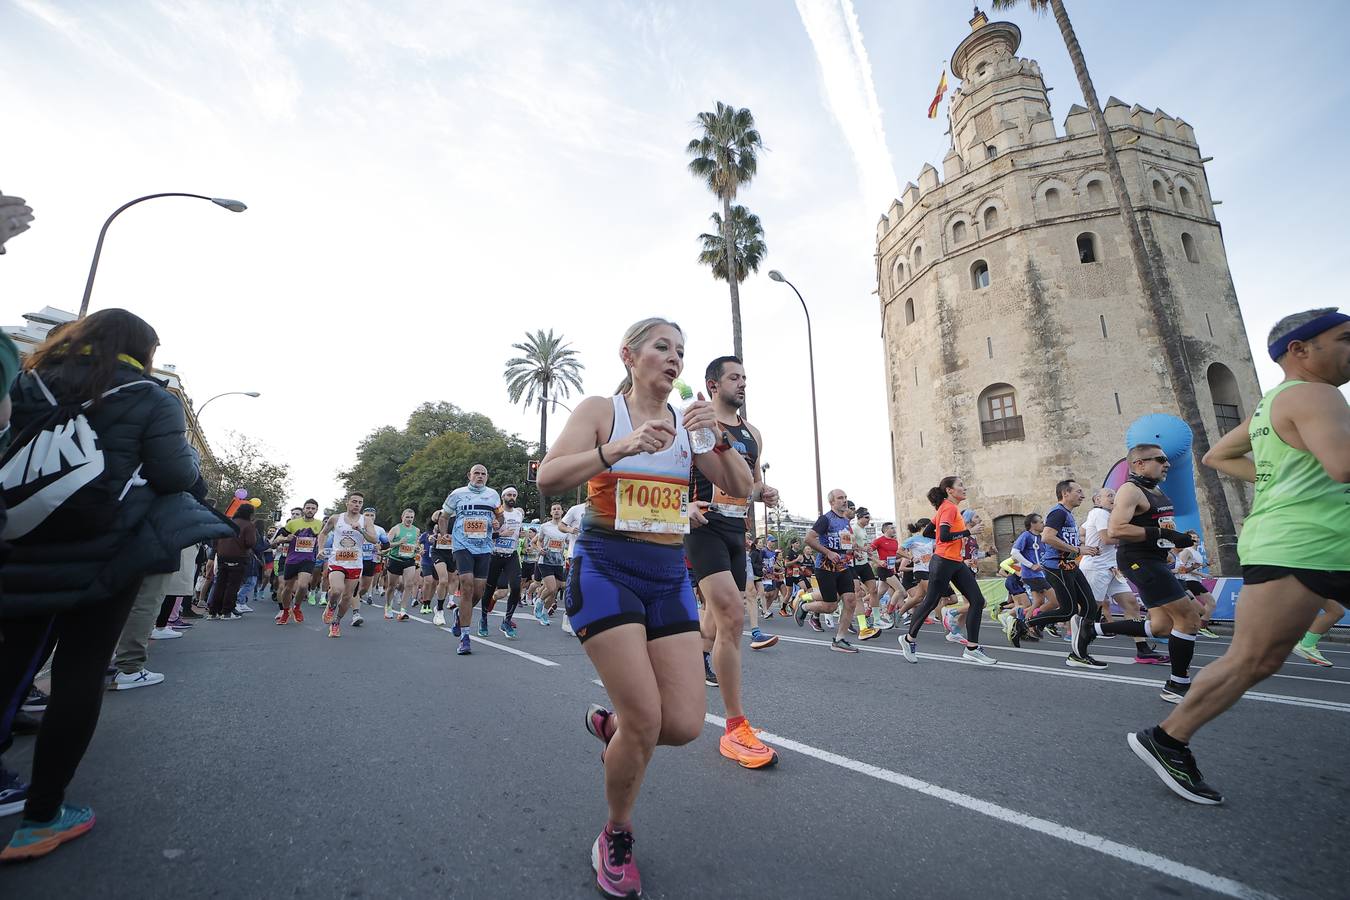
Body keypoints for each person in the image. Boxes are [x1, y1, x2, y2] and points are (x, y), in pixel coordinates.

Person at [0, 309, 231, 860]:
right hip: (108, 552)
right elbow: (178, 476)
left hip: (25, 543)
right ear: (143, 352)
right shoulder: (151, 397)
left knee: (11, 668)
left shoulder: (29, 383)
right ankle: (42, 817)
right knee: (79, 677)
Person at [536, 318, 751, 898]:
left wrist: (720, 439)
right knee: (648, 719)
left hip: (666, 575)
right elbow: (549, 478)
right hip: (606, 569)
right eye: (662, 347)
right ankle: (616, 832)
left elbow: (742, 487)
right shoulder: (602, 410)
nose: (674, 358)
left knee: (681, 724)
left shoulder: (691, 424)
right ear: (630, 356)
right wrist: (618, 448)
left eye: (681, 351)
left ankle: (617, 729)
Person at [1128, 307, 1350, 805]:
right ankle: (1168, 736)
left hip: (1301, 538)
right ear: (1301, 350)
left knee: (1257, 657)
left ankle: (1168, 737)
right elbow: (1344, 464)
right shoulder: (1318, 395)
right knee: (1251, 657)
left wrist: (1279, 482)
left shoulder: (1272, 404)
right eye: (1346, 338)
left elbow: (1216, 456)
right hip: (1307, 542)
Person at [682, 355, 780, 768]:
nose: (742, 383)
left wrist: (765, 491)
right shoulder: (696, 419)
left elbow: (749, 484)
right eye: (734, 378)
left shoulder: (752, 432)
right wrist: (683, 504)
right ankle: (735, 725)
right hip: (702, 525)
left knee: (719, 619)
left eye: (745, 377)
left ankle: (690, 661)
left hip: (735, 530)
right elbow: (671, 469)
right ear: (712, 384)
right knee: (733, 614)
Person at [899, 477, 996, 665]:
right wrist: (969, 531)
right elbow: (942, 536)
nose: (964, 488)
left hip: (955, 562)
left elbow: (928, 533)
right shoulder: (949, 508)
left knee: (977, 600)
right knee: (930, 601)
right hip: (943, 561)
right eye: (960, 485)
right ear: (950, 490)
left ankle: (972, 648)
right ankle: (908, 639)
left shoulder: (947, 509)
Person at [1011, 480, 1105, 668]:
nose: (1083, 495)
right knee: (1068, 611)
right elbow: (1047, 537)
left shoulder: (1067, 514)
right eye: (1079, 492)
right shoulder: (1058, 512)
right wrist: (1078, 549)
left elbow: (1066, 539)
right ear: (1065, 493)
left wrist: (1085, 548)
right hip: (1057, 566)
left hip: (1070, 565)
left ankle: (1079, 653)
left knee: (1089, 607)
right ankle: (1023, 623)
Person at [1079, 489, 1168, 664]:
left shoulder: (1102, 515)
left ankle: (1143, 650)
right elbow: (1107, 539)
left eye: (1115, 496)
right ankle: (1079, 649)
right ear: (1097, 499)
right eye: (1109, 496)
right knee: (1091, 609)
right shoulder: (1099, 512)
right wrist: (1141, 538)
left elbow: (1082, 530)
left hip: (1112, 569)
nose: (1113, 499)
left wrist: (1087, 539)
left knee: (1131, 604)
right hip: (1096, 568)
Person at [439, 464, 503, 656]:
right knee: (466, 585)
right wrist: (445, 535)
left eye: (484, 474)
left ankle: (460, 614)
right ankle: (465, 637)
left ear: (487, 477)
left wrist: (498, 523)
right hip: (462, 545)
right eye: (477, 473)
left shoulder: (493, 495)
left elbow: (499, 516)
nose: (480, 476)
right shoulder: (457, 494)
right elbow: (443, 517)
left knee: (478, 592)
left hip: (484, 547)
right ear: (469, 475)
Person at [315, 493, 381, 638]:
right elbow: (323, 533)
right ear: (347, 503)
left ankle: (336, 623)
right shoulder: (336, 518)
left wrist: (360, 530)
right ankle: (331, 606)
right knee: (337, 590)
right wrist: (320, 549)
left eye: (360, 503)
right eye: (354, 501)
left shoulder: (366, 520)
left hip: (355, 562)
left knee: (346, 597)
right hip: (337, 560)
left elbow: (374, 539)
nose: (357, 504)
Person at [273, 500, 323, 624]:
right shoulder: (293, 524)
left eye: (313, 508)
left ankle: (297, 607)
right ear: (304, 509)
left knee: (302, 585)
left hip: (308, 559)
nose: (310, 510)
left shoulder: (320, 524)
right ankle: (285, 611)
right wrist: (286, 538)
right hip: (292, 560)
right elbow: (277, 539)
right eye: (308, 508)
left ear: (316, 510)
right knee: (287, 588)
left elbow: (326, 537)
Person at [484, 486, 524, 639]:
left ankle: (506, 621)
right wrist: (500, 534)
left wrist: (520, 534)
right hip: (494, 555)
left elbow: (516, 533)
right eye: (509, 494)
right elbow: (486, 534)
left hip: (511, 555)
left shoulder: (519, 514)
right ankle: (483, 618)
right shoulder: (494, 513)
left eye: (514, 494)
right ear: (503, 497)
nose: (512, 497)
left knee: (515, 587)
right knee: (488, 591)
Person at [207, 504, 258, 620]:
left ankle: (213, 611)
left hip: (222, 556)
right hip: (239, 557)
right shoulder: (248, 525)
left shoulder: (226, 522)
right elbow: (250, 542)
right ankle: (226, 611)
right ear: (250, 514)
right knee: (233, 585)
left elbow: (216, 539)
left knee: (220, 583)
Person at [1175, 532, 1219, 638]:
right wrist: (1202, 573)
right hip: (1189, 580)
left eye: (1197, 537)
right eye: (1193, 537)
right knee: (1211, 602)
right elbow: (1182, 569)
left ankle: (1191, 626)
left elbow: (1194, 566)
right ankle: (1202, 627)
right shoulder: (1186, 551)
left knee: (1191, 607)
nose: (1196, 539)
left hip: (1195, 580)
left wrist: (1207, 564)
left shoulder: (1196, 552)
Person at [383, 508, 420, 621]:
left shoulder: (416, 530)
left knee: (408, 584)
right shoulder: (396, 529)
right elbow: (386, 545)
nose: (409, 520)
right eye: (407, 517)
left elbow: (415, 543)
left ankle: (403, 610)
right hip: (395, 559)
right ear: (402, 517)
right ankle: (388, 606)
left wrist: (417, 549)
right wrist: (399, 542)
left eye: (411, 517)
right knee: (391, 586)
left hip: (409, 560)